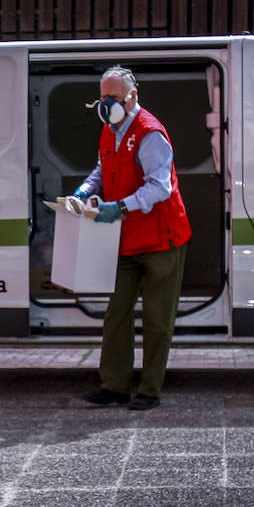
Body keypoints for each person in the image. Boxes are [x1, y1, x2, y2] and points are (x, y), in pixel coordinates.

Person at [73, 65, 191, 411]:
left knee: (157, 320)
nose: (106, 104)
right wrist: (87, 188)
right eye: (103, 97)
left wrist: (120, 206)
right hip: (126, 240)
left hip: (161, 241)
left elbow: (159, 187)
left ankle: (150, 390)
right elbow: (102, 167)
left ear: (132, 96)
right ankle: (114, 386)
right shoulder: (110, 131)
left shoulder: (149, 133)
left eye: (113, 98)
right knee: (117, 315)